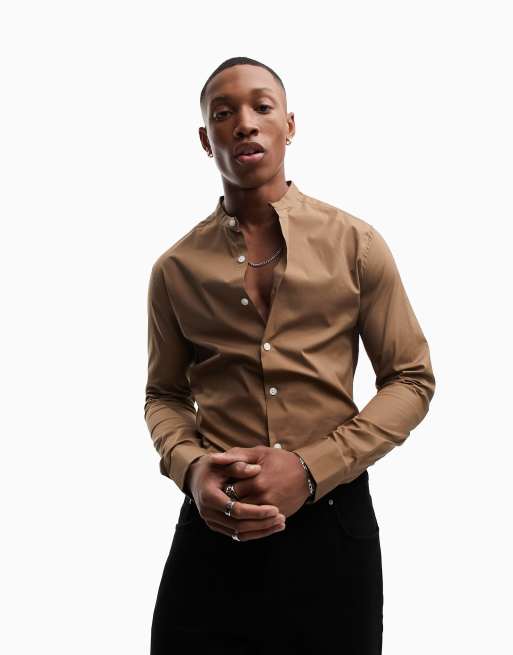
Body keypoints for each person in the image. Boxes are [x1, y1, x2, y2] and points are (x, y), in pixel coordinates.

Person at [144, 56, 436, 654]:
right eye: (223, 114)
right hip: (213, 527)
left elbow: (411, 379)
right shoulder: (175, 269)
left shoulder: (356, 244)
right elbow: (164, 395)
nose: (244, 123)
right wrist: (192, 469)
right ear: (205, 139)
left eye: (262, 106)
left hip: (333, 526)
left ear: (290, 125)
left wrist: (310, 469)